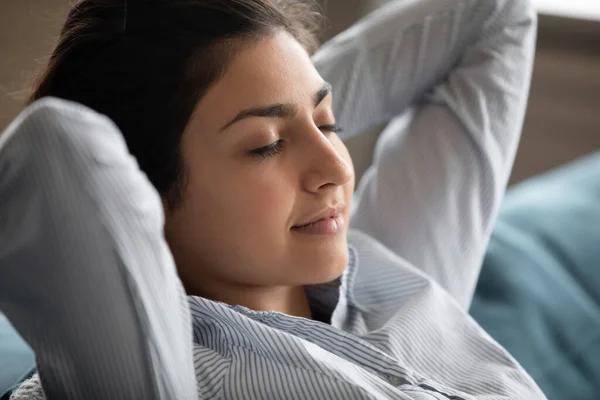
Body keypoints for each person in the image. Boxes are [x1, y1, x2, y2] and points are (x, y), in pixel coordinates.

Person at [0, 0, 546, 398]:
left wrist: (274, 92)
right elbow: (54, 146)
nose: (336, 168)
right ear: (143, 189)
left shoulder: (390, 274)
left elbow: (492, 15)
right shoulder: (161, 380)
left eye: (330, 123)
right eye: (265, 147)